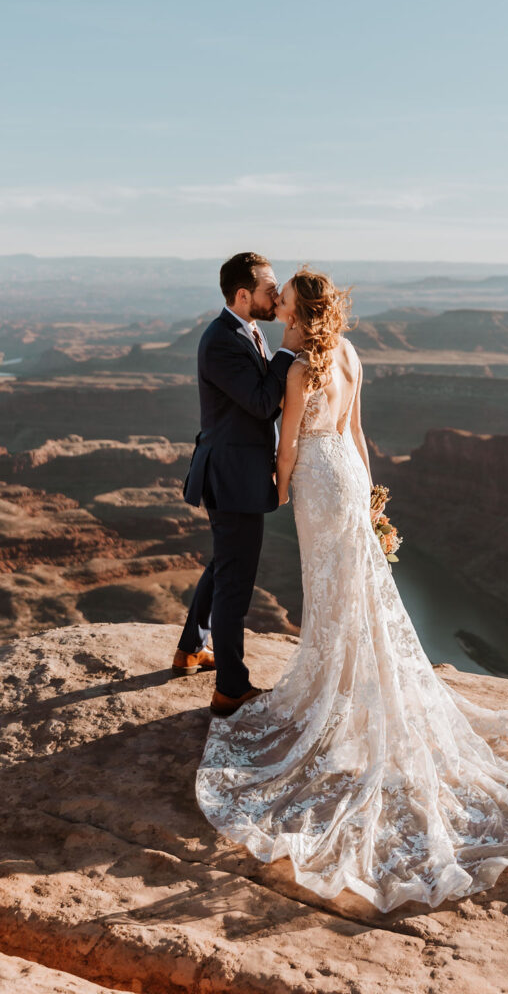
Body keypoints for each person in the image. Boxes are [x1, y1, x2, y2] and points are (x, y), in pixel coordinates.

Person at [195, 266, 508, 912]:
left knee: (328, 595)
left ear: (303, 313)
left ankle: (336, 697)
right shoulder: (350, 354)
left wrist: (273, 488)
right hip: (350, 479)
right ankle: (357, 690)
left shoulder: (298, 368)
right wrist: (370, 497)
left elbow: (290, 444)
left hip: (318, 487)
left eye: (288, 302)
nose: (282, 309)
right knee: (357, 590)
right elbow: (355, 434)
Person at [175, 252, 303, 716]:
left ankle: (192, 648)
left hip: (234, 472)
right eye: (271, 291)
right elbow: (261, 403)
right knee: (236, 582)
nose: (276, 298)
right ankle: (231, 687)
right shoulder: (222, 341)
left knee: (225, 565)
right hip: (231, 478)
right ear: (243, 295)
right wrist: (289, 350)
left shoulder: (244, 331)